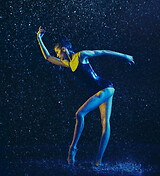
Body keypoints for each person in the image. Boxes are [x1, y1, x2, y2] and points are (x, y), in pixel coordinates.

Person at [37, 26, 135, 166]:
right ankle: (98, 161)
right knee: (104, 122)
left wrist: (125, 56)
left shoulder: (81, 55)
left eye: (58, 52)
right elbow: (48, 57)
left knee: (80, 114)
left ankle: (73, 148)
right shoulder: (69, 64)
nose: (58, 56)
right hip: (103, 90)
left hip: (105, 88)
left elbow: (102, 52)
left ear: (64, 49)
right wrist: (39, 38)